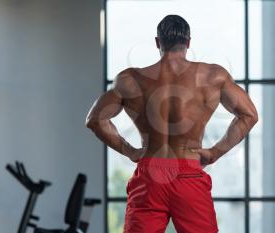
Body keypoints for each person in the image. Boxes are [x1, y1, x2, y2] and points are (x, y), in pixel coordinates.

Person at [85, 14, 258, 233]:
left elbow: (95, 119)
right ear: (188, 42)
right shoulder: (213, 76)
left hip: (149, 177)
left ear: (158, 42)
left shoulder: (130, 79)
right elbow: (249, 115)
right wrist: (214, 152)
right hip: (188, 175)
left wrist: (129, 151)